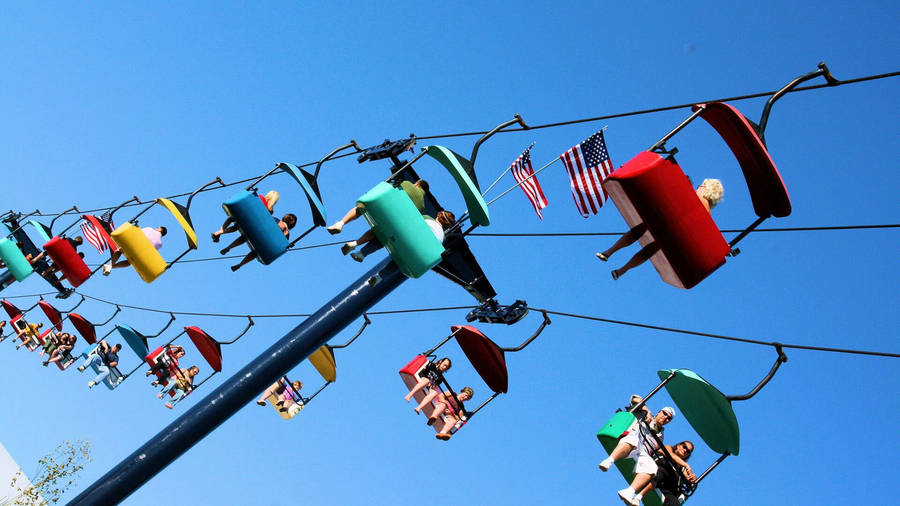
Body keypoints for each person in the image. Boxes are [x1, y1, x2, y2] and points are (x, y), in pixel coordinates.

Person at [597, 178, 724, 280]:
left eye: (700, 186)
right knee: (650, 250)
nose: (698, 188)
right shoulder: (708, 216)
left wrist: (686, 183)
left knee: (639, 230)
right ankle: (622, 270)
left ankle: (609, 252)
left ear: (706, 188)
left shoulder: (693, 195)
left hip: (666, 219)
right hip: (674, 234)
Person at [598, 406, 676, 506]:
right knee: (632, 440)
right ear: (659, 412)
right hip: (634, 440)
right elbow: (635, 399)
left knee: (652, 467)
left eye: (669, 418)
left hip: (643, 452)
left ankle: (630, 491)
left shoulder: (661, 437)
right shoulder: (646, 416)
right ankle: (610, 460)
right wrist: (646, 411)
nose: (665, 417)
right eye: (664, 414)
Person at [219, 213, 297, 272]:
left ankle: (229, 247)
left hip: (259, 235)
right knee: (255, 253)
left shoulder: (276, 220)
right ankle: (240, 264)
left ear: (284, 218)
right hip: (266, 245)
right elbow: (282, 246)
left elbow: (263, 221)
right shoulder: (287, 236)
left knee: (244, 237)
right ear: (292, 226)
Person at [633, 441, 697, 506]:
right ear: (678, 445)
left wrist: (692, 478)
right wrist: (686, 465)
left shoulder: (682, 468)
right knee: (661, 472)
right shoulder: (668, 448)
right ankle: (639, 496)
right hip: (655, 474)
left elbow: (687, 476)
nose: (685, 450)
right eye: (684, 447)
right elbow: (671, 456)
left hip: (667, 488)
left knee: (675, 503)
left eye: (688, 451)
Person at [211, 190, 279, 243]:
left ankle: (219, 231)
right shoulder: (270, 211)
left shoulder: (260, 198)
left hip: (245, 215)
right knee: (236, 227)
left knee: (232, 218)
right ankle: (219, 232)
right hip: (251, 225)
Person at [103, 226, 167, 275]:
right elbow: (150, 252)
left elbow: (137, 233)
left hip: (133, 244)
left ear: (160, 229)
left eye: (157, 227)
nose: (156, 228)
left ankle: (110, 265)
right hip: (138, 254)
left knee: (120, 249)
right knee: (129, 262)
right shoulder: (160, 244)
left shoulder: (149, 229)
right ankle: (112, 267)